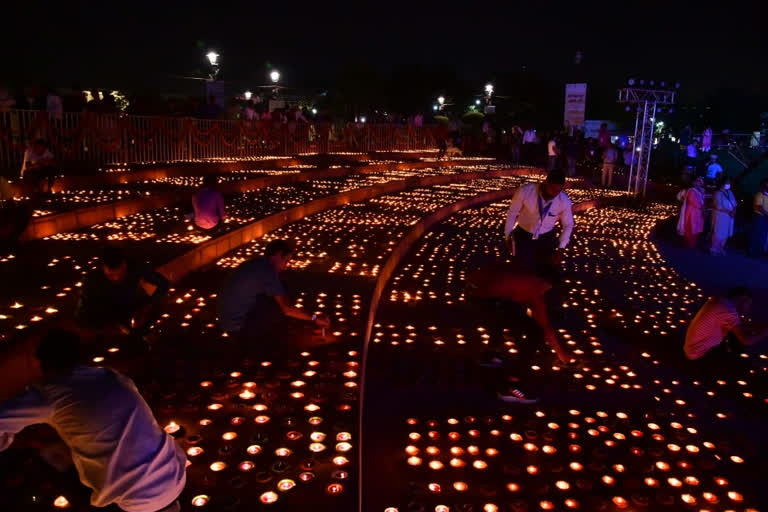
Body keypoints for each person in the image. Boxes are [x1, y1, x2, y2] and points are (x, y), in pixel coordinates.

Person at [0, 329, 187, 512]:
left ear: (41, 364)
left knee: (47, 462)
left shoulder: (49, 393)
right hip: (175, 476)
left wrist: (21, 442)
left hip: (138, 500)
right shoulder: (112, 376)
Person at [217, 240, 330, 353]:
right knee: (280, 305)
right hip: (238, 327)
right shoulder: (268, 271)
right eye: (286, 260)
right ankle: (263, 345)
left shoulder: (255, 264)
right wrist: (315, 319)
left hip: (226, 319)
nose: (285, 267)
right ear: (278, 255)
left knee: (279, 294)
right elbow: (287, 309)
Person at [76, 246, 169, 343]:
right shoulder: (91, 280)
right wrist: (106, 325)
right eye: (111, 275)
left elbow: (163, 284)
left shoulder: (135, 267)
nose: (116, 278)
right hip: (104, 313)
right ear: (103, 268)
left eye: (121, 274)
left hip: (131, 308)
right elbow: (82, 313)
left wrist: (146, 309)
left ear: (125, 264)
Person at [504, 170, 574, 280]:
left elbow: (568, 224)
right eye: (552, 189)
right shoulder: (525, 191)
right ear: (545, 183)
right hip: (523, 234)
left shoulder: (563, 201)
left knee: (545, 273)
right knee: (521, 272)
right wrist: (508, 235)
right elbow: (512, 213)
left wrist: (561, 249)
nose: (554, 194)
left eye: (558, 191)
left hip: (546, 238)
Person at [684, 288, 768, 361]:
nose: (749, 307)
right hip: (699, 354)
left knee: (735, 333)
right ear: (744, 299)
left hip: (692, 349)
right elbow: (746, 341)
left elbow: (740, 325)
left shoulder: (720, 301)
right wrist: (765, 333)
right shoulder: (728, 310)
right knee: (739, 342)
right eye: (749, 303)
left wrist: (762, 327)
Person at [710, 176, 737, 255]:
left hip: (729, 216)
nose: (729, 184)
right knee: (718, 231)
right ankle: (714, 248)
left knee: (726, 232)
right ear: (722, 183)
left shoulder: (730, 192)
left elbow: (734, 203)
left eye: (729, 182)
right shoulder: (717, 193)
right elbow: (718, 206)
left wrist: (734, 211)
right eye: (727, 182)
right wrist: (729, 212)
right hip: (721, 215)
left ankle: (721, 248)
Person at [677, 177, 705, 249]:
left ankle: (692, 243)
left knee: (695, 227)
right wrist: (702, 207)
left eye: (700, 181)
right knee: (690, 227)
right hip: (692, 211)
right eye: (697, 181)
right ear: (693, 182)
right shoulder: (691, 191)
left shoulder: (699, 190)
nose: (699, 182)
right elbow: (694, 201)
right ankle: (689, 244)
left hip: (698, 211)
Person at [749, 178, 768, 256]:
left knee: (763, 234)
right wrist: (767, 214)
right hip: (759, 216)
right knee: (756, 233)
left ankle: (759, 251)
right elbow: (759, 207)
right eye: (766, 184)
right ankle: (752, 251)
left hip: (765, 217)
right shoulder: (759, 194)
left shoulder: (766, 195)